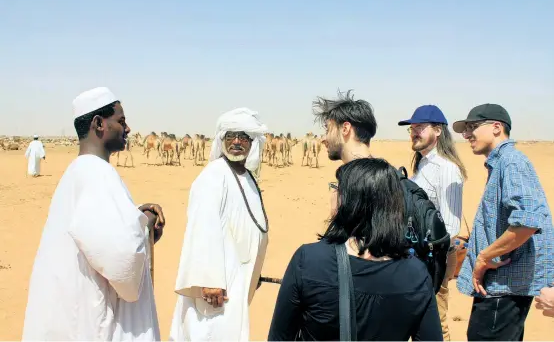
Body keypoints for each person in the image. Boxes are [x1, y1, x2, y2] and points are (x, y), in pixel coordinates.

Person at [22, 87, 166, 341]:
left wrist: (133, 218)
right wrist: (147, 225)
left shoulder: (79, 172)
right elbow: (123, 264)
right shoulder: (97, 174)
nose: (128, 128)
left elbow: (98, 235)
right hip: (94, 324)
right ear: (99, 124)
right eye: (121, 121)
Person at [267, 158, 443, 341]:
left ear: (351, 200)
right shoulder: (416, 274)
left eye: (337, 188)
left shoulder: (310, 261)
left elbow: (279, 336)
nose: (333, 193)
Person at [453, 103, 554, 341]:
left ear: (497, 128)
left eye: (473, 127)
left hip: (503, 287)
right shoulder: (502, 164)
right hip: (500, 286)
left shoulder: (512, 162)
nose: (467, 135)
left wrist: (484, 257)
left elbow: (527, 221)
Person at [169, 107, 269, 341]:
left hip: (236, 277)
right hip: (215, 288)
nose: (236, 142)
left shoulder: (246, 177)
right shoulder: (214, 175)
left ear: (252, 143)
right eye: (230, 136)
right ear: (221, 140)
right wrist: (209, 279)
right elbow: (203, 227)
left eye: (243, 137)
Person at [398, 105, 467, 341]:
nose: (414, 132)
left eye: (420, 127)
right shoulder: (423, 165)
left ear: (438, 131)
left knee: (435, 323)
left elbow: (450, 226)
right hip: (417, 255)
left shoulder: (447, 169)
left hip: (434, 258)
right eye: (412, 128)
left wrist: (432, 259)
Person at [312, 89, 377, 163]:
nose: (323, 139)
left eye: (328, 130)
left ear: (345, 129)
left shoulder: (354, 174)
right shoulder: (386, 172)